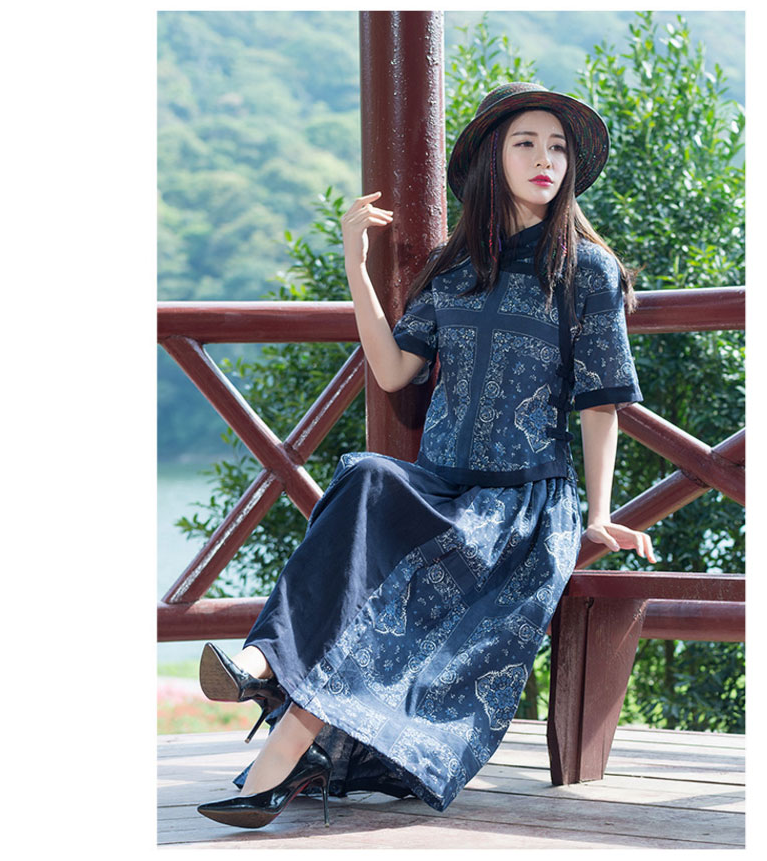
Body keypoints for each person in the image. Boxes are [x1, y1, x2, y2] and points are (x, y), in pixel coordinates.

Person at [195, 81, 657, 830]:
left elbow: (601, 403)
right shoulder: (455, 268)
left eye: (558, 147)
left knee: (382, 596)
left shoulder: (586, 271)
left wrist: (599, 514)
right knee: (363, 475)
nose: (546, 159)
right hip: (439, 489)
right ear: (491, 159)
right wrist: (356, 262)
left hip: (519, 506)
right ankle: (265, 671)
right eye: (526, 143)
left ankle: (273, 753)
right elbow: (393, 371)